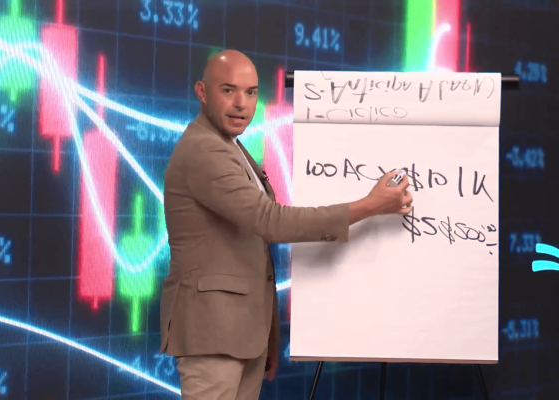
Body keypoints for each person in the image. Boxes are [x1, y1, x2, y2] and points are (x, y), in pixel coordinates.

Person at [159, 49, 413, 400]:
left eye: (250, 92)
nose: (241, 103)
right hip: (213, 335)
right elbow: (271, 222)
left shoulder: (231, 146)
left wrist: (267, 336)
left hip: (239, 335)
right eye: (228, 90)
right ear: (202, 92)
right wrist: (370, 206)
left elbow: (251, 251)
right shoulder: (205, 150)